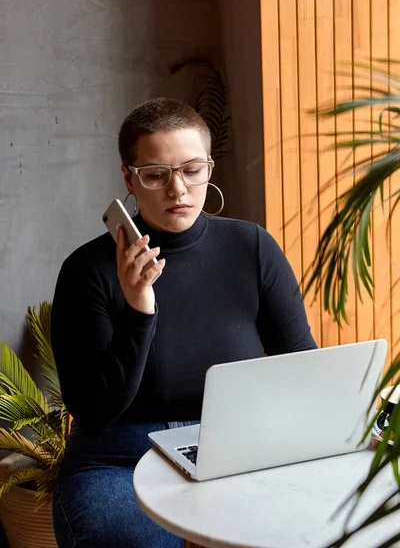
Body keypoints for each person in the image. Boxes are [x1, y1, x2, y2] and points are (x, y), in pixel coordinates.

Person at [50, 97, 318, 547]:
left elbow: (304, 367)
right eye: (156, 175)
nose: (178, 190)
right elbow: (95, 412)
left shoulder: (252, 247)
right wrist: (139, 310)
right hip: (121, 458)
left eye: (192, 170)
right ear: (129, 179)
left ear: (209, 168)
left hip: (237, 449)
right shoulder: (86, 271)